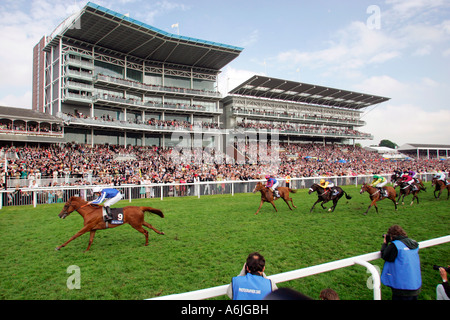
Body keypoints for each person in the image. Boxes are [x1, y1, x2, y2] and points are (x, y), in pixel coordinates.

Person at [380, 225, 422, 300]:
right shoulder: (413, 243)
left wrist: (385, 243)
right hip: (415, 283)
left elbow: (385, 255)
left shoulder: (395, 245)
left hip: (402, 287)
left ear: (391, 236)